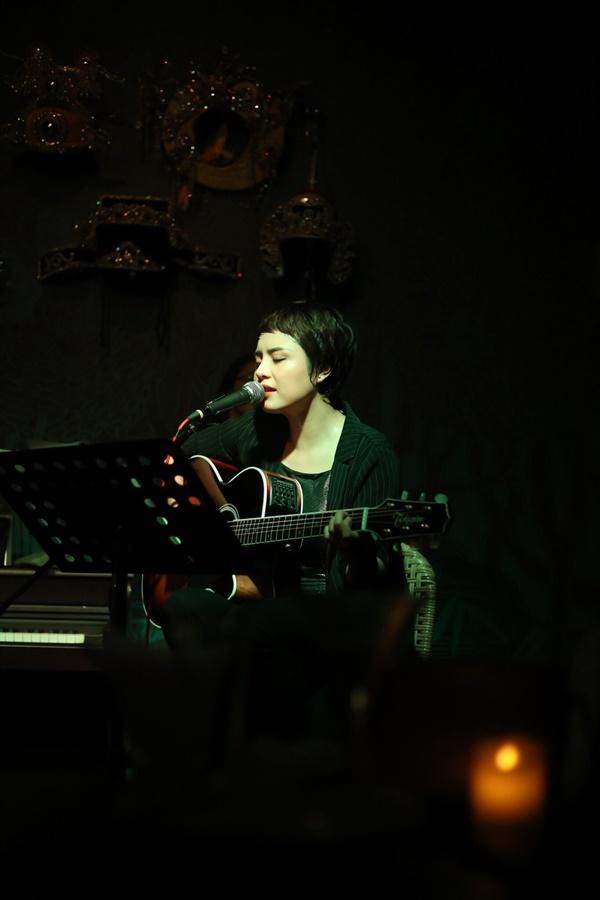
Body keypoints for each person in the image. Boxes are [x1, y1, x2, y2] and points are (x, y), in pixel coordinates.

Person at [157, 302, 406, 740]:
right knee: (182, 607)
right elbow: (188, 453)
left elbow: (373, 586)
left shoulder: (369, 452)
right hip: (263, 611)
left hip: (331, 620)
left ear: (322, 369)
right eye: (259, 358)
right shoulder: (258, 430)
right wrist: (210, 514)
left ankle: (267, 744)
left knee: (258, 630)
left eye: (278, 358)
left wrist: (357, 553)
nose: (260, 372)